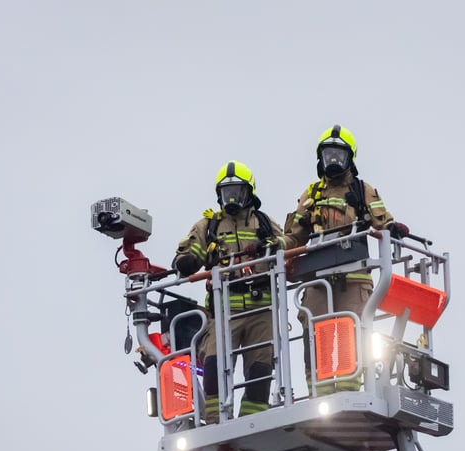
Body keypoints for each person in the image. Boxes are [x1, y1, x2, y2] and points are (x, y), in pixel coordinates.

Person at [284, 125, 410, 394]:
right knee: (313, 335)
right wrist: (275, 247)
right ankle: (319, 393)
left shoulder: (363, 191)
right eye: (328, 154)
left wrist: (392, 228)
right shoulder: (311, 195)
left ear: (349, 157)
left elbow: (382, 220)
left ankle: (349, 392)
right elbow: (293, 237)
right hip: (318, 281)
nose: (332, 161)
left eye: (338, 155)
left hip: (354, 279)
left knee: (350, 335)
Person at [172, 160, 290, 424]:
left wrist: (270, 243)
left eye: (237, 191)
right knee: (214, 366)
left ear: (250, 192)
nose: (232, 198)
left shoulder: (263, 223)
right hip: (225, 311)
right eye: (226, 192)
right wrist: (187, 260)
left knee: (260, 371)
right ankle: (216, 422)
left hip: (263, 310)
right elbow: (188, 251)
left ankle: (252, 422)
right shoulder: (209, 226)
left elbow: (288, 242)